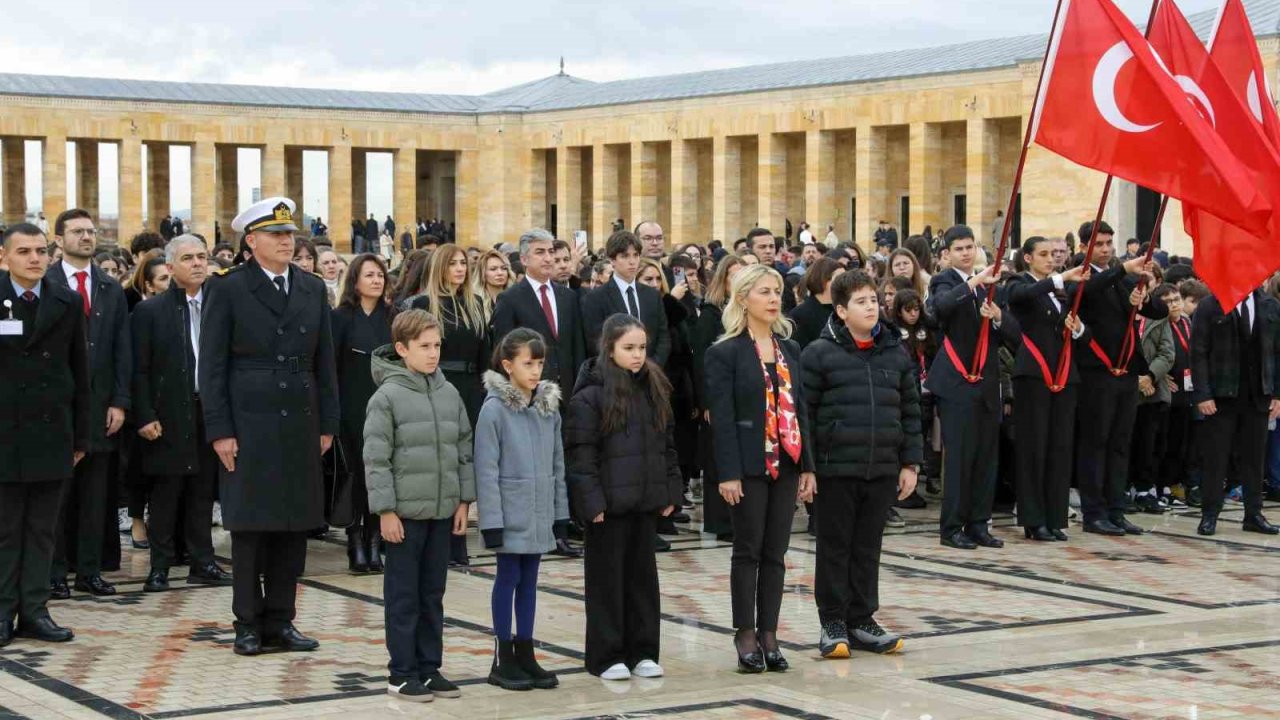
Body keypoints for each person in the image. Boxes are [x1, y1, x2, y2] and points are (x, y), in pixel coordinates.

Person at [199, 197, 339, 656]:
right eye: (275, 234)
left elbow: (325, 363)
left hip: (300, 417)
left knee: (294, 524)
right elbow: (212, 366)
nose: (286, 241)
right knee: (251, 527)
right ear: (251, 241)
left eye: (289, 234)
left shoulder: (311, 288)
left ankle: (282, 619)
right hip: (250, 419)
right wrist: (220, 429)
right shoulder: (228, 288)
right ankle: (248, 622)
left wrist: (328, 424)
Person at [801, 269, 919, 658]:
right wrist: (809, 467)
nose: (871, 307)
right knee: (835, 547)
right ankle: (833, 621)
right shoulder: (819, 353)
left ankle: (863, 617)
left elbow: (910, 409)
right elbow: (807, 414)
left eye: (873, 300)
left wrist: (910, 463)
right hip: (836, 468)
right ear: (840, 309)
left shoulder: (893, 351)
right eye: (861, 302)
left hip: (882, 466)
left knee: (868, 546)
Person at [705, 264, 816, 673]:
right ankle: (745, 634)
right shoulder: (725, 352)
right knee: (747, 550)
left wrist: (808, 466)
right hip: (749, 464)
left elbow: (800, 408)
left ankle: (770, 633)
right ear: (742, 298)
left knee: (777, 552)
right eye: (765, 292)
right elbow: (724, 416)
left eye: (777, 292)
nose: (774, 300)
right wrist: (728, 473)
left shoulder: (791, 349)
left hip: (786, 462)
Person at [364, 310, 474, 702]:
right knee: (404, 596)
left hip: (442, 512)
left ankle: (429, 668)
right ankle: (401, 672)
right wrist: (386, 511)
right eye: (424, 347)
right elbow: (377, 459)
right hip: (405, 516)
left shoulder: (449, 392)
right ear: (401, 349)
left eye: (436, 346)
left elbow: (463, 448)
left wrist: (464, 500)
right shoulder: (387, 397)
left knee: (432, 593)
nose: (432, 354)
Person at [566, 314, 683, 680]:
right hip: (609, 507)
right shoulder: (591, 396)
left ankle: (643, 650)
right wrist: (591, 501)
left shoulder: (653, 388)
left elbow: (666, 446)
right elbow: (581, 454)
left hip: (643, 501)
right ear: (610, 349)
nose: (637, 355)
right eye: (628, 348)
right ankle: (607, 654)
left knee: (642, 581)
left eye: (642, 348)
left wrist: (670, 490)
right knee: (606, 582)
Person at [0, 223, 90, 646]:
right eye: (24, 252)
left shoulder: (66, 302)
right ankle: (2, 612)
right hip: (3, 433)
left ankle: (34, 610)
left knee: (41, 530)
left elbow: (81, 371)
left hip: (51, 431)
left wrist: (80, 437)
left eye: (40, 251)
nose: (35, 259)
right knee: (5, 528)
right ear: (5, 257)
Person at [131, 235, 233, 592]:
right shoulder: (150, 311)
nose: (197, 264)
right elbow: (138, 369)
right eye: (188, 258)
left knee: (203, 491)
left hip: (210, 412)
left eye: (202, 257)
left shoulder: (222, 306)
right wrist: (143, 415)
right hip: (168, 414)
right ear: (170, 267)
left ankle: (203, 561)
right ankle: (160, 566)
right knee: (165, 494)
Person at [475, 329, 567, 691]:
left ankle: (525, 651)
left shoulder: (547, 408)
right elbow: (486, 468)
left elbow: (557, 464)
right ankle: (502, 656)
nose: (535, 371)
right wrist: (491, 522)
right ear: (507, 365)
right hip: (510, 512)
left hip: (539, 511)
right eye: (528, 363)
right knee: (507, 578)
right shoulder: (494, 410)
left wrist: (560, 514)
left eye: (540, 363)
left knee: (529, 581)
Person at [47, 208, 131, 599]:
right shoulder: (43, 282)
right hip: (56, 409)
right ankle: (53, 573)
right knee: (57, 492)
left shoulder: (109, 287)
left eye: (90, 231)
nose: (86, 237)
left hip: (100, 409)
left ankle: (89, 570)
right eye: (77, 231)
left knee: (96, 495)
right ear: (59, 238)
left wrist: (119, 400)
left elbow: (121, 349)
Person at [926, 226, 1022, 549]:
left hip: (987, 382)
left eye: (970, 247)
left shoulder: (991, 286)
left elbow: (1014, 335)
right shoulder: (946, 282)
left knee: (985, 458)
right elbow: (940, 310)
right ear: (947, 254)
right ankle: (952, 527)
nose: (966, 253)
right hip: (956, 382)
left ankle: (979, 523)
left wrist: (997, 317)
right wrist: (974, 283)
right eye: (959, 249)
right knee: (960, 458)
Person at [1073, 221, 1166, 537]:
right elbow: (1083, 294)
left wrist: (1145, 295)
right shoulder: (1081, 275)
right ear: (1085, 246)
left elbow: (1153, 311)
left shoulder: (1121, 277)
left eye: (1109, 243)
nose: (1106, 249)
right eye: (1098, 244)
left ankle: (1116, 508)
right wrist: (1124, 268)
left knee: (1120, 444)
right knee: (1095, 443)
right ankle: (1094, 511)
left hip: (1126, 371)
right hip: (1095, 372)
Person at [1006, 237, 1089, 541]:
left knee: (1059, 448)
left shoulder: (1060, 292)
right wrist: (1061, 277)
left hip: (1064, 375)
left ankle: (1055, 517)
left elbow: (1084, 333)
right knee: (1034, 448)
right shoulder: (1019, 284)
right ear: (1027, 258)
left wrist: (1078, 328)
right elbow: (1021, 296)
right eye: (1043, 255)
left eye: (1053, 255)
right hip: (1033, 376)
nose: (1050, 260)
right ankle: (1033, 519)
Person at [412, 244, 489, 566]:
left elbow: (486, 352)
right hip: (439, 387)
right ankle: (437, 540)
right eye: (453, 263)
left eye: (463, 263)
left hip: (472, 389)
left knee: (464, 462)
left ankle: (458, 540)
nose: (460, 268)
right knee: (440, 461)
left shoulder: (475, 303)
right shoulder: (423, 304)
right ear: (439, 267)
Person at [1191, 285, 1280, 536]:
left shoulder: (1269, 305)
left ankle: (1254, 514)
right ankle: (1209, 514)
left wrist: (1277, 394)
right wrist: (1203, 393)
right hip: (1221, 395)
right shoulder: (1211, 305)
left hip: (1258, 395)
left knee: (1254, 458)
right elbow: (1198, 352)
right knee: (1216, 458)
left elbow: (1277, 352)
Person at [331, 254, 394, 573]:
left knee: (380, 477)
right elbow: (331, 368)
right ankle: (355, 541)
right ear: (355, 280)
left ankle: (374, 542)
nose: (377, 280)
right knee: (355, 476)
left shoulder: (393, 316)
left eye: (380, 275)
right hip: (351, 409)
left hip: (385, 408)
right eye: (369, 275)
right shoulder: (341, 317)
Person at [491, 229, 587, 408]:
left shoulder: (568, 297)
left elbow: (577, 346)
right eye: (540, 252)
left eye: (550, 251)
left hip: (569, 395)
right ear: (524, 259)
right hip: (530, 397)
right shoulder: (510, 299)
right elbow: (503, 351)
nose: (548, 258)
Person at [691, 255, 748, 542]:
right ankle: (719, 522)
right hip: (717, 398)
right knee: (716, 461)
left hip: (742, 397)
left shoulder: (746, 312)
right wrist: (706, 403)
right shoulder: (712, 313)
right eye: (732, 276)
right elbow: (701, 363)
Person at [582, 231, 670, 365]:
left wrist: (652, 365)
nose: (632, 261)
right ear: (612, 260)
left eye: (636, 255)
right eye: (625, 256)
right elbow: (596, 341)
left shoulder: (652, 295)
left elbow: (663, 335)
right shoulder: (596, 298)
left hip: (651, 372)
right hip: (615, 374)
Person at [1129, 283, 1176, 514]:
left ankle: (1145, 489)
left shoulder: (1158, 317)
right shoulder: (1121, 314)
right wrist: (1135, 379)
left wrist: (1149, 376)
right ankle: (1123, 489)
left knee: (1149, 443)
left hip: (1153, 391)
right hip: (1125, 387)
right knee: (1124, 442)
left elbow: (1167, 353)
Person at [788, 258, 844, 349]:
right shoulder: (800, 315)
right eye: (839, 279)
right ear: (823, 280)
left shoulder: (843, 311)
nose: (845, 283)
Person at [473, 248, 515, 320]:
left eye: (504, 268)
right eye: (493, 269)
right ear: (482, 273)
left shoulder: (516, 297)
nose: (500, 273)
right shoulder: (474, 301)